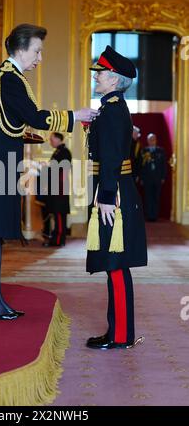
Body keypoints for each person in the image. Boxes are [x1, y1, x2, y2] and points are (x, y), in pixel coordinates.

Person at [0, 23, 97, 320]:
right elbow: (34, 116)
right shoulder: (10, 79)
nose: (39, 58)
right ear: (20, 49)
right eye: (37, 51)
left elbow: (11, 123)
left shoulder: (7, 77)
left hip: (0, 160)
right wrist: (76, 115)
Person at [85, 45, 147, 350]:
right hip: (114, 189)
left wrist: (106, 196)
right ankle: (117, 331)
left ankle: (121, 334)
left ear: (114, 80)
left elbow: (110, 158)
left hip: (114, 194)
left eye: (101, 73)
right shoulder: (111, 108)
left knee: (116, 263)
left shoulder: (111, 110)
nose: (96, 77)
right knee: (114, 263)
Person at [43, 132, 72, 247]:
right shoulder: (58, 152)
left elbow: (63, 171)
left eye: (52, 139)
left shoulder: (64, 152)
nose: (50, 142)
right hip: (55, 187)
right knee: (56, 213)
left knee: (59, 214)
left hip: (60, 188)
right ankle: (55, 238)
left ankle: (59, 240)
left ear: (58, 139)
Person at [140, 133, 167, 222]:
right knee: (148, 197)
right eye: (150, 140)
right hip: (147, 178)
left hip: (157, 178)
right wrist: (142, 178)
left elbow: (164, 165)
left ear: (156, 140)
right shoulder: (144, 151)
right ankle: (148, 215)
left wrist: (163, 177)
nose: (152, 141)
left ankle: (154, 216)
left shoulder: (161, 151)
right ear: (147, 141)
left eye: (153, 139)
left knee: (156, 197)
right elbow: (141, 166)